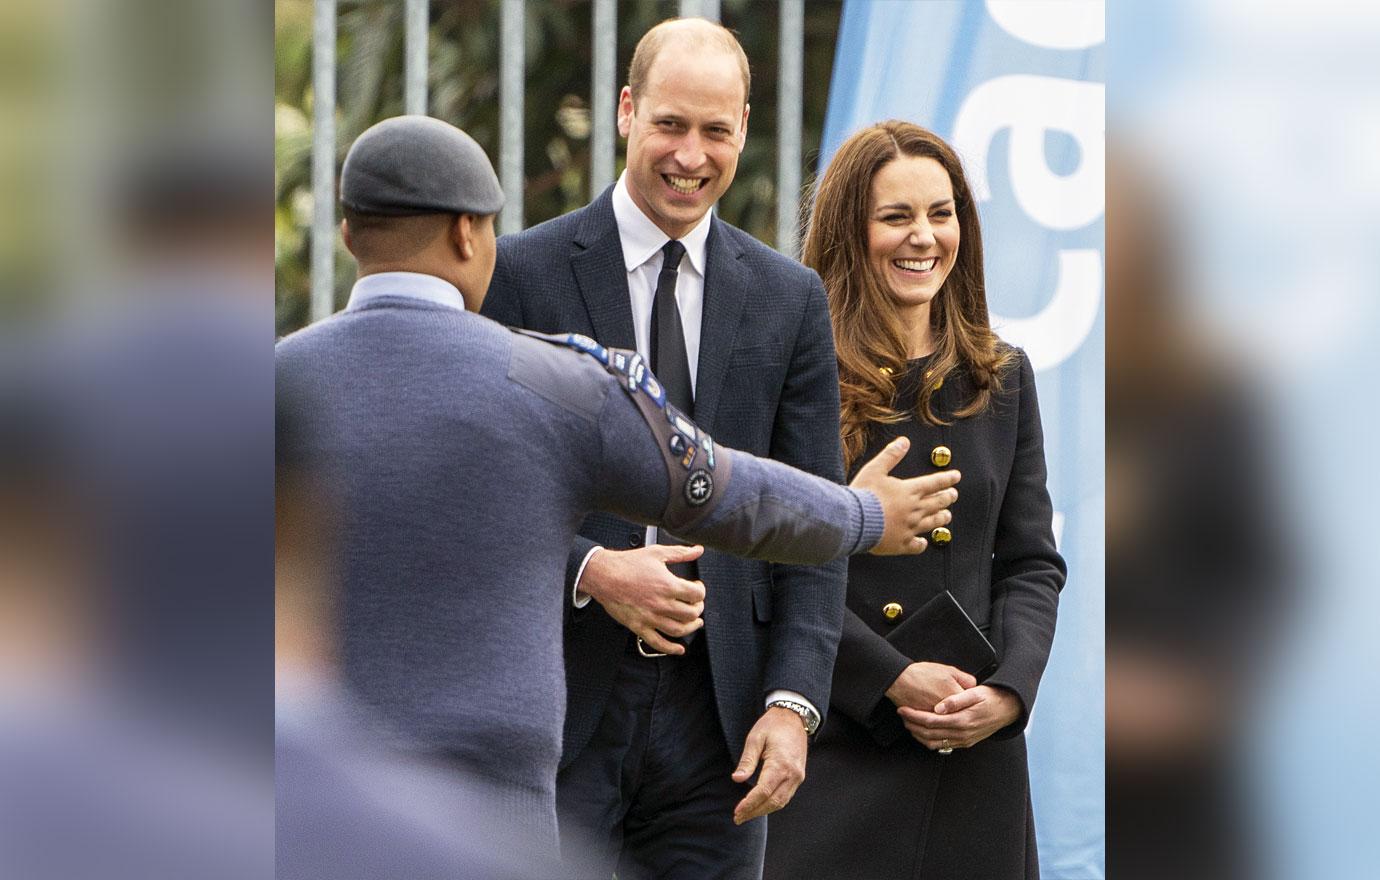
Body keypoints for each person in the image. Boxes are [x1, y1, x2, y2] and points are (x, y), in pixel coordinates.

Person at [275, 115, 960, 857]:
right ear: (471, 234)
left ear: (347, 234)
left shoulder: (265, 385)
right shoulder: (551, 382)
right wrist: (861, 514)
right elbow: (730, 494)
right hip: (495, 816)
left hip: (304, 801)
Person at [480, 18, 851, 878]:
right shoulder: (517, 275)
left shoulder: (790, 301)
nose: (692, 155)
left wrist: (793, 706)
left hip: (720, 732)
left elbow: (816, 521)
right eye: (671, 125)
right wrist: (592, 572)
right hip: (560, 713)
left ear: (745, 129)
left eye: (716, 130)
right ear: (625, 113)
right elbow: (482, 490)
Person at [762, 121, 1067, 880]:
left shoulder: (1003, 376)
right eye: (896, 217)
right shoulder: (794, 375)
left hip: (972, 760)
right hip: (835, 747)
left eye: (941, 213)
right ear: (850, 231)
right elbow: (766, 566)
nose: (923, 238)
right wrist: (892, 677)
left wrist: (1006, 692)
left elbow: (1031, 563)